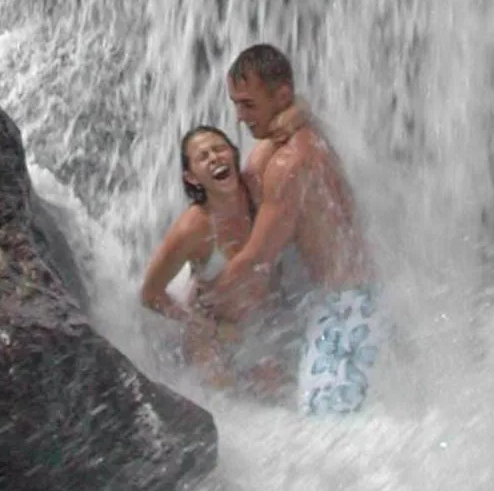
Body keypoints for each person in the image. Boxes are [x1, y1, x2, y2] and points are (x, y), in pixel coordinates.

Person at [206, 42, 379, 415]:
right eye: (236, 104)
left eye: (248, 105)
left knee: (329, 424)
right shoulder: (296, 138)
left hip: (347, 308)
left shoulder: (291, 163)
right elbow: (250, 182)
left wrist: (202, 307)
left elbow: (255, 259)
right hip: (329, 300)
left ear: (282, 96)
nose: (239, 117)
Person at [140, 127, 285, 393]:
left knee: (279, 388)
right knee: (228, 400)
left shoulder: (256, 186)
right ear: (192, 177)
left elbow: (280, 130)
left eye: (219, 149)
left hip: (266, 320)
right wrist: (208, 328)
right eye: (203, 156)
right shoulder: (193, 228)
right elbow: (150, 294)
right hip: (214, 333)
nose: (214, 158)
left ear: (234, 154)